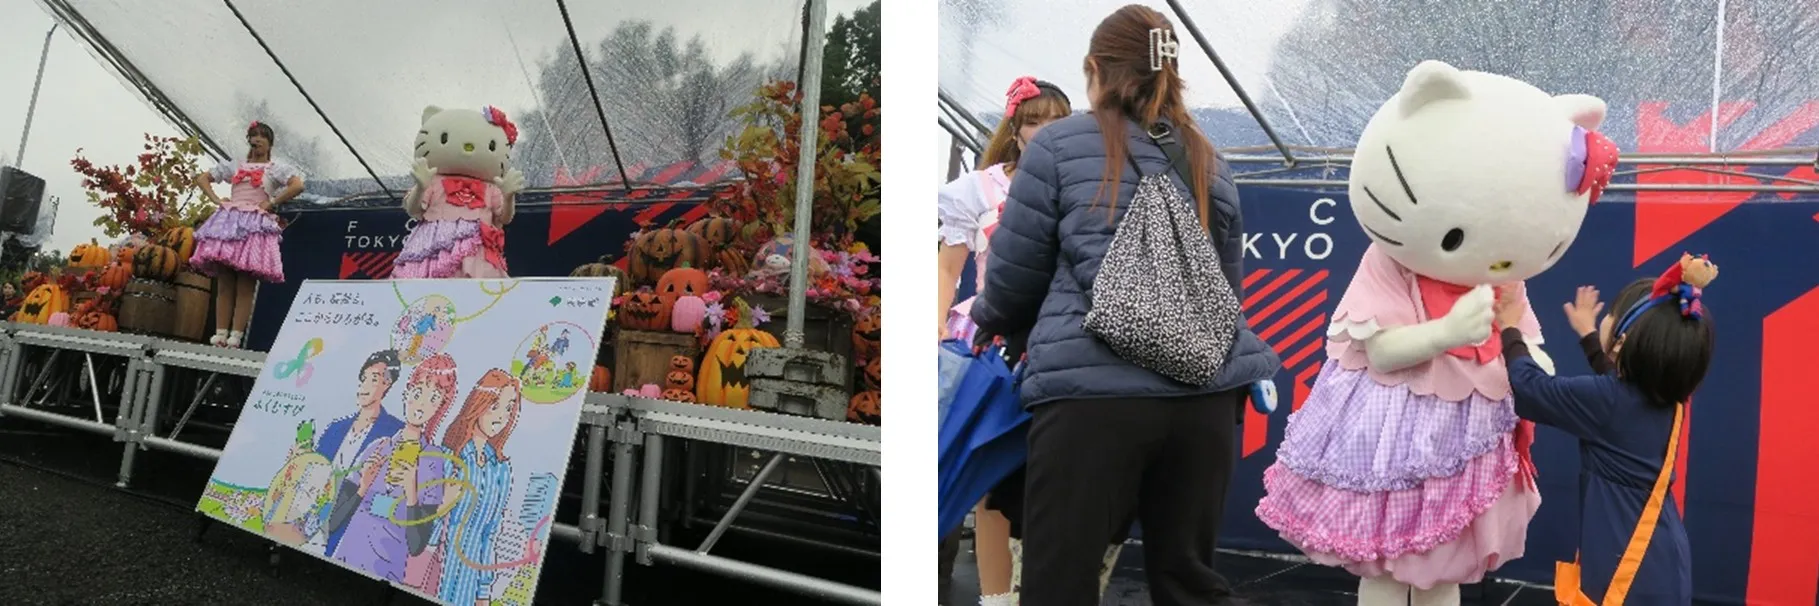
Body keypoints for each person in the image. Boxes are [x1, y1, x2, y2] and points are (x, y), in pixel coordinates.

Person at [968, 6, 1280, 604]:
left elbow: (1013, 280)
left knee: (1060, 582)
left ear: (1095, 69)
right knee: (1189, 584)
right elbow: (1225, 291)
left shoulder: (1058, 144)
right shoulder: (1209, 157)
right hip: (1205, 402)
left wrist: (988, 324)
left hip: (1092, 399)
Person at [939, 75, 1117, 606]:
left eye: (1057, 120)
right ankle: (996, 599)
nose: (1045, 131)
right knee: (991, 475)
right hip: (993, 345)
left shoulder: (1091, 187)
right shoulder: (977, 189)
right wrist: (933, 332)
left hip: (1067, 346)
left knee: (1061, 478)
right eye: (1034, 121)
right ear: (1015, 130)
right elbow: (946, 270)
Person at [1497, 255, 1715, 605]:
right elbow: (1616, 385)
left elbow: (1529, 388)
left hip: (1628, 569)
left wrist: (1510, 328)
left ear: (1622, 340)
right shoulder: (1665, 396)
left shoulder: (1609, 402)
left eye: (1611, 315)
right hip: (1662, 560)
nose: (1606, 319)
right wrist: (1588, 334)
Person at [329, 353, 457, 582]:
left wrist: (411, 494)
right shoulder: (378, 447)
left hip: (386, 573)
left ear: (440, 407)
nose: (421, 404)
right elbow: (333, 522)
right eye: (417, 393)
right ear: (407, 393)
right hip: (344, 559)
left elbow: (417, 545)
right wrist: (363, 486)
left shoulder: (432, 461)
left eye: (433, 398)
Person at [192, 120, 303, 348]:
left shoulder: (275, 168)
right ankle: (220, 334)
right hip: (230, 222)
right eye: (254, 136)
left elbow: (297, 185)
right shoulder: (236, 165)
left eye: (262, 136)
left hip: (254, 225)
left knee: (245, 282)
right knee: (225, 280)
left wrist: (272, 202)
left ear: (270, 143)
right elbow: (202, 178)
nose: (257, 139)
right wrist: (216, 200)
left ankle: (236, 336)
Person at [427, 369, 523, 605]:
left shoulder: (500, 469)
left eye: (509, 408)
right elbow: (421, 528)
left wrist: (483, 592)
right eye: (494, 406)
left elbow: (489, 533)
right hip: (438, 571)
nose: (501, 417)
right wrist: (441, 508)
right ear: (478, 404)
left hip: (469, 582)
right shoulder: (448, 458)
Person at [300, 349, 407, 557]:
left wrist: (365, 489)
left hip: (355, 536)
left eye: (374, 379)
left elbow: (393, 501)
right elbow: (313, 474)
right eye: (363, 379)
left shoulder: (395, 433)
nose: (364, 386)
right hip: (311, 525)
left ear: (388, 384)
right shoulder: (335, 428)